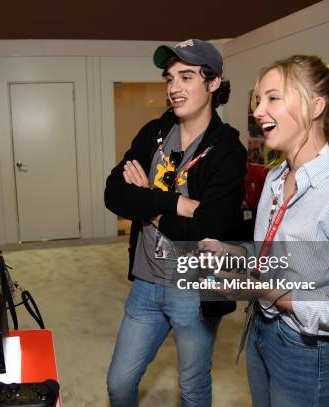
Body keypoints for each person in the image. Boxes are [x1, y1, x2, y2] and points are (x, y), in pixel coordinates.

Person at [201, 55, 329, 406]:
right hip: (261, 329)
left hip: (307, 352)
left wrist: (266, 293)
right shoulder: (276, 177)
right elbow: (277, 256)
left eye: (273, 98)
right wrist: (236, 254)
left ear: (316, 106)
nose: (259, 111)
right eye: (258, 100)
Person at [104, 39, 246, 406]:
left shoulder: (228, 150)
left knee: (193, 388)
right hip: (147, 285)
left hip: (196, 288)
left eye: (186, 76)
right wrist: (175, 202)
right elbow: (113, 193)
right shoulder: (154, 133)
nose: (173, 88)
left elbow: (203, 232)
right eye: (170, 78)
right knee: (119, 383)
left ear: (213, 83)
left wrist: (147, 204)